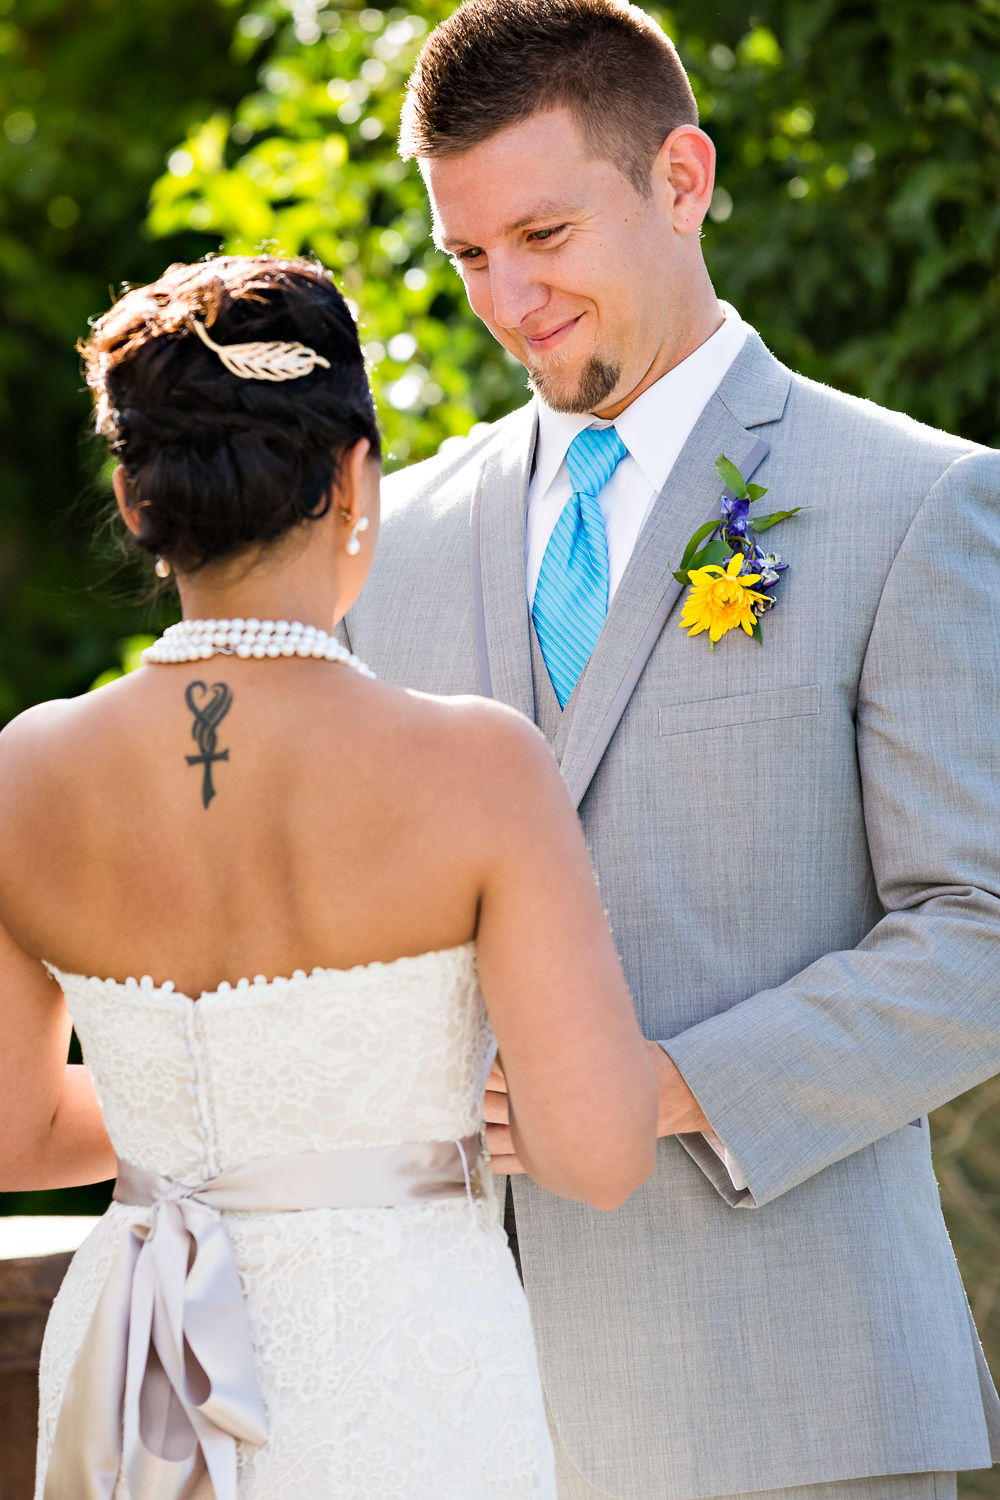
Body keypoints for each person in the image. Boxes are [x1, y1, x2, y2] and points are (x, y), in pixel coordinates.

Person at [339, 2, 1000, 1498]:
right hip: (450, 1410)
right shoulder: (396, 546)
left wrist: (670, 1085)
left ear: (683, 178)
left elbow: (981, 935)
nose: (508, 298)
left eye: (545, 234)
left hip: (799, 1397)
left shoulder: (913, 504)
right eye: (468, 255)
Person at [0, 253, 658, 1499]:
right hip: (402, 1360)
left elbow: (15, 1126)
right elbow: (598, 1150)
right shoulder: (475, 767)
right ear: (355, 475)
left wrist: (213, 1133)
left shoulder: (25, 772)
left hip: (129, 1359)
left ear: (136, 499)